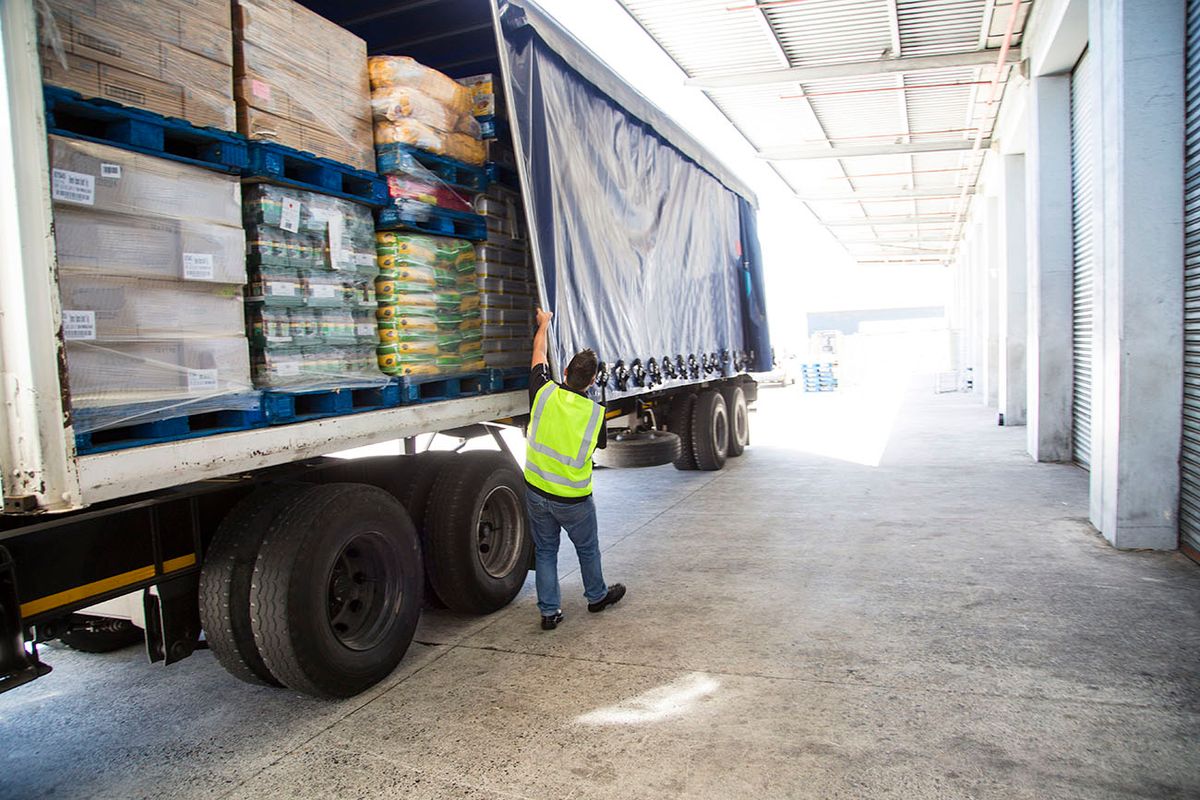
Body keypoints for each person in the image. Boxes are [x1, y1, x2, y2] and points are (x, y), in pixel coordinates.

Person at [524, 308, 625, 630]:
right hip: (573, 499)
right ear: (593, 380)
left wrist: (544, 323)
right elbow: (601, 447)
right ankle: (596, 597)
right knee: (587, 549)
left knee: (546, 552)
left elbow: (538, 353)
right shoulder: (595, 414)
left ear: (564, 370)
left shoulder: (543, 391)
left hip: (537, 491)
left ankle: (549, 613)